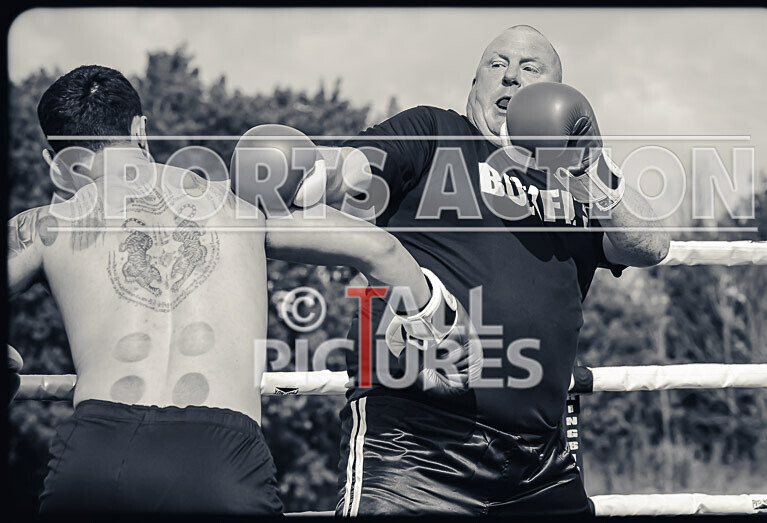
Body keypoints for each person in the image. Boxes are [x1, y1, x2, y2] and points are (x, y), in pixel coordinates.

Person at [8, 65, 479, 513]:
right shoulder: (235, 205)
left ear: (54, 161)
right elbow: (381, 250)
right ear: (140, 130)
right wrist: (440, 336)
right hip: (218, 458)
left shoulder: (46, 226)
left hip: (96, 453)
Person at [291, 25, 671, 516]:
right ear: (475, 86)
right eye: (497, 65)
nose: (511, 77)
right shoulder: (435, 133)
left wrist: (589, 165)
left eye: (530, 68)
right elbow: (354, 168)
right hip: (417, 445)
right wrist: (308, 168)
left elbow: (650, 245)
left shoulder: (577, 185)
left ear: (559, 95)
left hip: (540, 460)